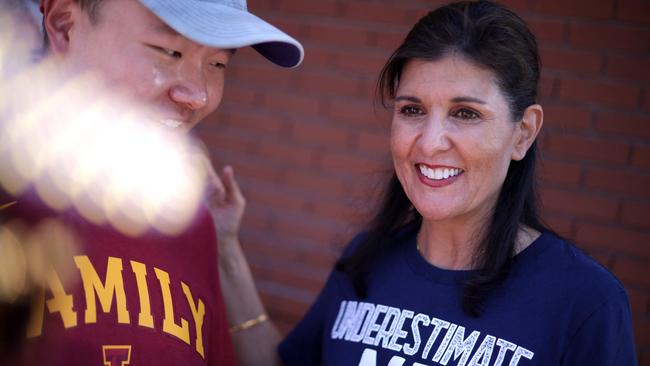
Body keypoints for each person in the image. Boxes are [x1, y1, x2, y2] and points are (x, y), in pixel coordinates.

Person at [217, 1, 638, 365]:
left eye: (466, 113)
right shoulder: (367, 259)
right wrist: (226, 249)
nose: (430, 143)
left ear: (523, 132)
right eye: (413, 109)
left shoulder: (584, 302)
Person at [0, 0, 303, 364]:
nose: (199, 95)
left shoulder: (192, 225)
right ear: (65, 25)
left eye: (218, 63)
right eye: (169, 51)